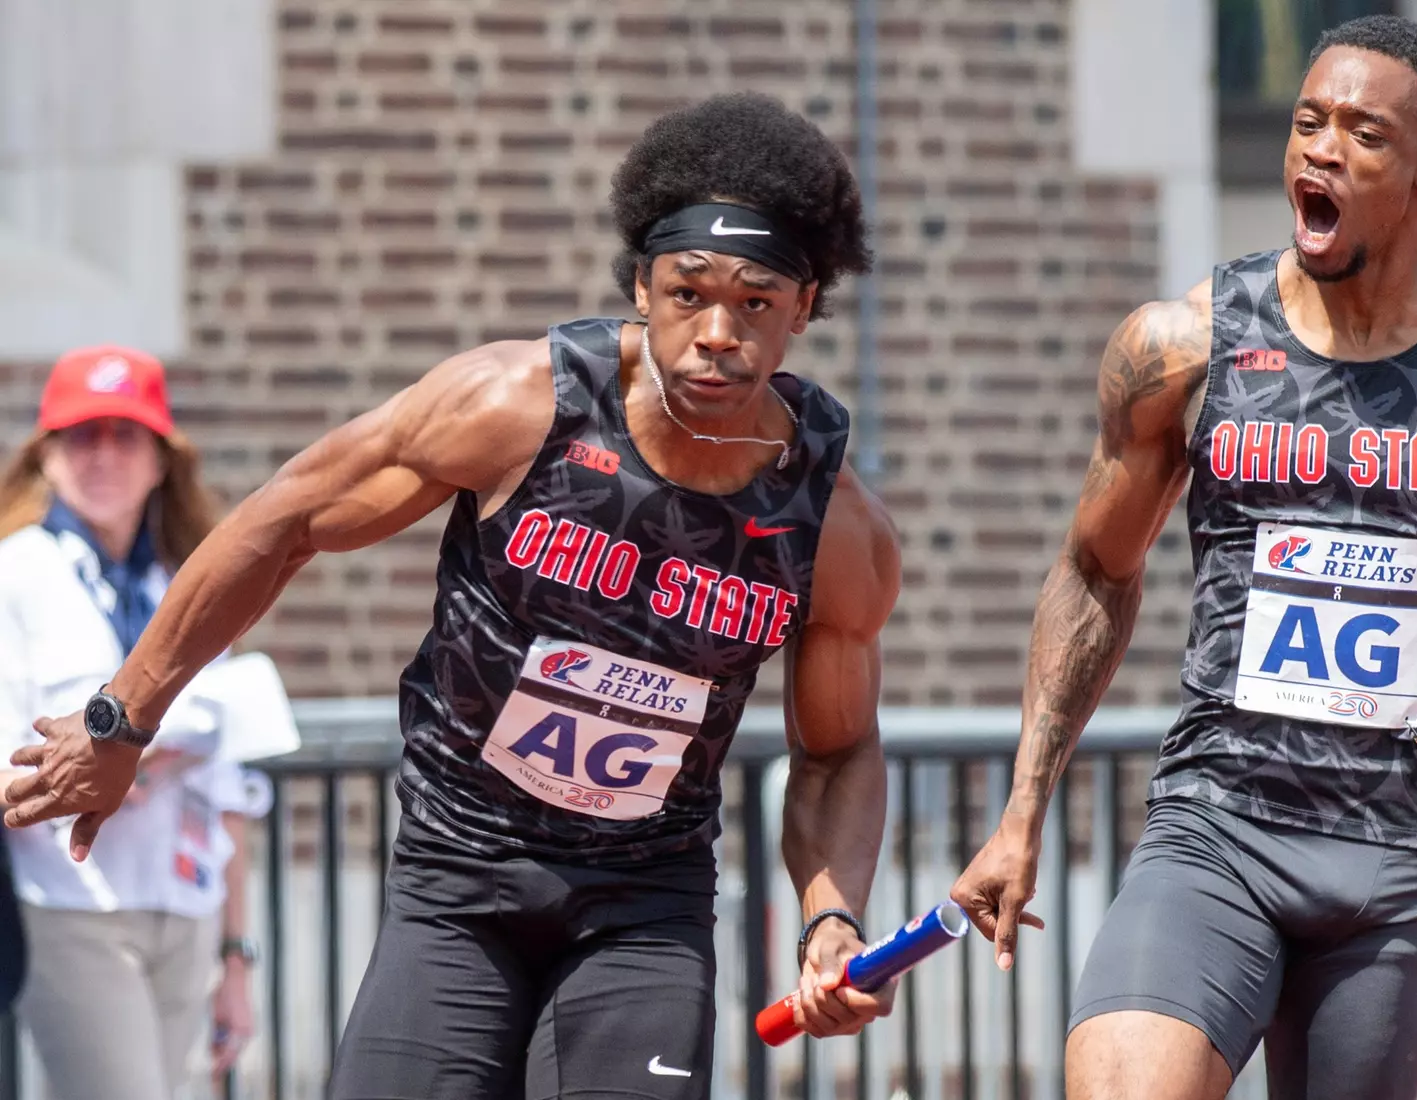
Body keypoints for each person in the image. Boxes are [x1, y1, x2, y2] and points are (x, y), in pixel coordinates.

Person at [4, 92, 901, 1098]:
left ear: (807, 306)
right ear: (642, 286)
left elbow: (836, 747)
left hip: (644, 902)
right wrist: (123, 720)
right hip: (458, 875)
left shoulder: (833, 523)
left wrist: (834, 913)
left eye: (757, 300)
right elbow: (283, 519)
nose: (717, 332)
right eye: (689, 292)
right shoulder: (518, 406)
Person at [952, 14, 1417, 1100]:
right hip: (1217, 824)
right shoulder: (1185, 346)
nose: (1320, 149)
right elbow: (1097, 569)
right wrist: (1021, 811)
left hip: (1394, 853)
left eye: (1363, 133)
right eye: (1307, 121)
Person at [0, 346, 267, 1099]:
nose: (104, 456)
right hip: (74, 907)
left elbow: (231, 786)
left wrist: (236, 956)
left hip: (187, 906)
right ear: (46, 456)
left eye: (126, 435)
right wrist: (110, 770)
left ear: (161, 460)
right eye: (83, 436)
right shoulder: (15, 575)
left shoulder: (188, 582)